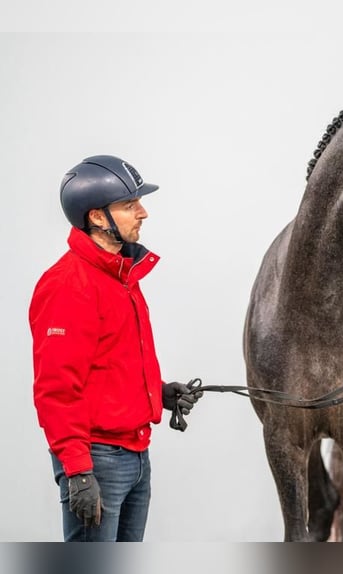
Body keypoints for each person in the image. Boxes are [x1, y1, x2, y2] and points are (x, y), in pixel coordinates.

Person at [29, 154, 203, 542]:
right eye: (129, 205)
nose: (143, 213)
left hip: (136, 455)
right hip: (99, 462)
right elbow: (56, 390)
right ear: (96, 217)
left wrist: (157, 393)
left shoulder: (121, 278)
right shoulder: (67, 285)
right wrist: (77, 470)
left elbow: (110, 365)